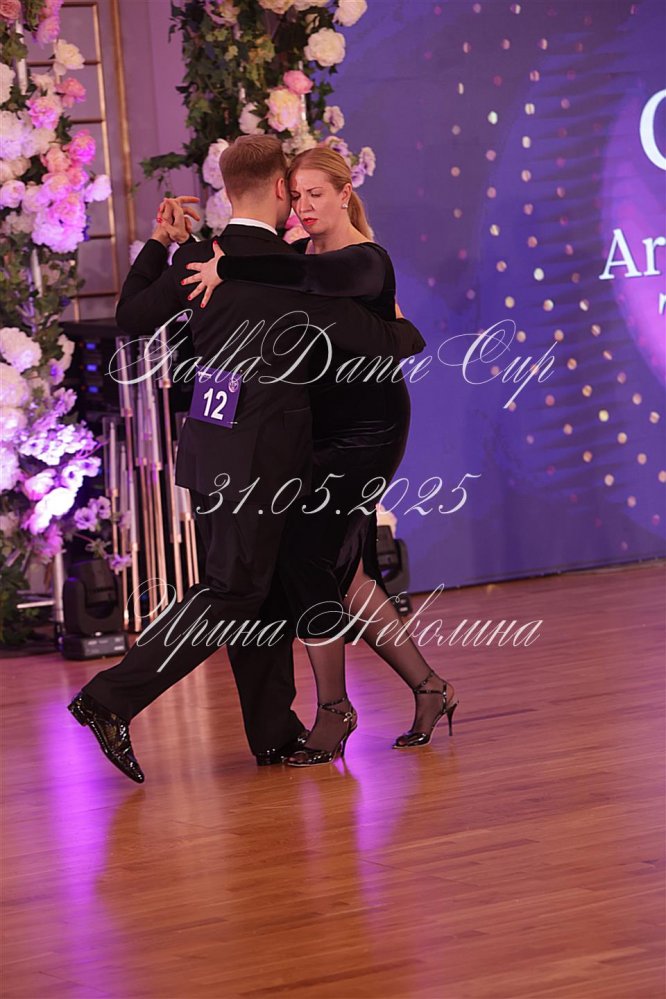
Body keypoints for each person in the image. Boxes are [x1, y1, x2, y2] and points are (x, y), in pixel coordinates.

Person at [67, 136, 426, 783]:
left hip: (209, 450)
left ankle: (273, 732)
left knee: (259, 594)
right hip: (262, 461)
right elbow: (387, 338)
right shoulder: (288, 268)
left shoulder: (201, 258)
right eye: (297, 189)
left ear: (227, 189)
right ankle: (109, 699)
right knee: (235, 593)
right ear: (282, 188)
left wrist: (161, 244)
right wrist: (403, 331)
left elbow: (131, 317)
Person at [181, 145, 459, 767]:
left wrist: (230, 267)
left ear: (343, 193)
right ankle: (430, 688)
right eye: (297, 195)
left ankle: (334, 709)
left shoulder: (364, 259)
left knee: (306, 556)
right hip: (316, 429)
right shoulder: (298, 257)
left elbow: (329, 291)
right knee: (346, 571)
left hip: (367, 428)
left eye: (316, 194)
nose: (304, 207)